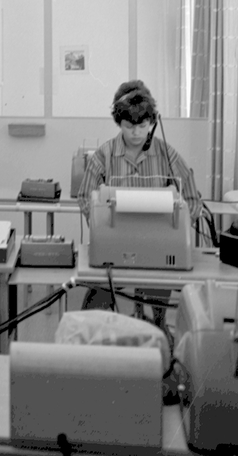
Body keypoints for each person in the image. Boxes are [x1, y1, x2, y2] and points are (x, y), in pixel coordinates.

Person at [77, 80, 203, 314]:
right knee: (95, 306)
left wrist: (179, 229)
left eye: (143, 125)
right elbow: (85, 197)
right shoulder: (104, 155)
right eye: (129, 126)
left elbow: (193, 200)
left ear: (152, 122)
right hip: (114, 248)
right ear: (119, 122)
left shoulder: (167, 154)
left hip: (158, 249)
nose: (136, 133)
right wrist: (101, 227)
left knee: (156, 306)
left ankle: (158, 326)